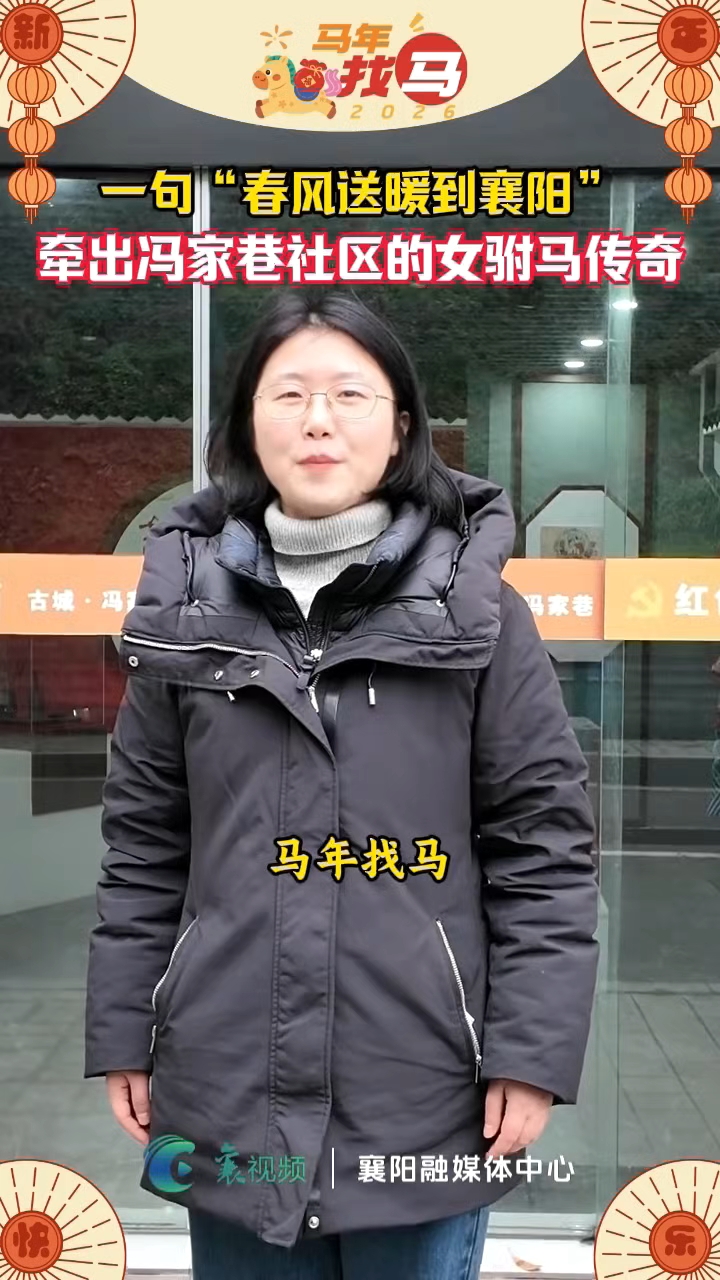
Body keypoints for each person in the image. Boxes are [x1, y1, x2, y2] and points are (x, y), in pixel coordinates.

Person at [84, 290, 599, 1280]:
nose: (318, 419)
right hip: (228, 1086)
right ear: (247, 424)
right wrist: (123, 1029)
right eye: (289, 394)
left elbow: (543, 849)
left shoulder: (481, 615)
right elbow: (145, 843)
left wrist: (531, 1053)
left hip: (423, 1088)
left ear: (401, 425)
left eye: (350, 393)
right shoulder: (184, 612)